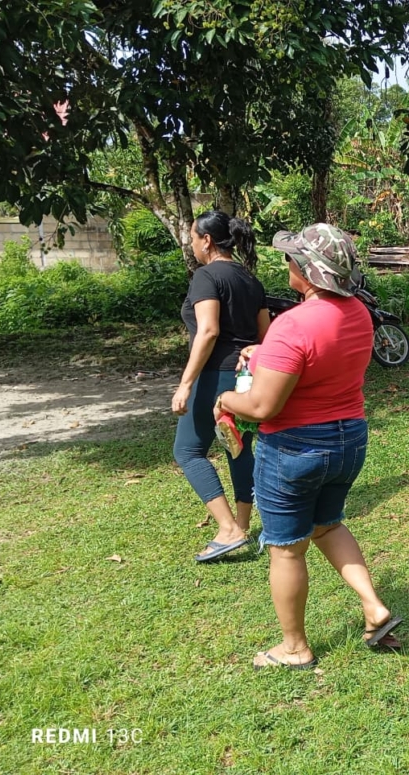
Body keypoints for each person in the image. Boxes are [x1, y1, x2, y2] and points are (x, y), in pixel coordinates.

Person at [214, 223, 401, 669]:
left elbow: (261, 406)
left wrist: (225, 399)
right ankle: (373, 607)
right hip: (349, 440)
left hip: (295, 449)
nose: (286, 264)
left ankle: (294, 648)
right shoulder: (358, 312)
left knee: (286, 548)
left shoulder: (292, 325)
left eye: (290, 258)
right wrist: (264, 355)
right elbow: (320, 360)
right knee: (328, 526)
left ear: (306, 270)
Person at [173, 211, 269, 562]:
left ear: (207, 240)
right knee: (237, 447)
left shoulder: (206, 276)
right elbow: (264, 336)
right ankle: (242, 525)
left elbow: (208, 331)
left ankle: (229, 529)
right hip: (244, 378)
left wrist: (185, 384)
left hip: (214, 376)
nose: (192, 244)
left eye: (193, 238)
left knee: (188, 451)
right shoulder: (249, 279)